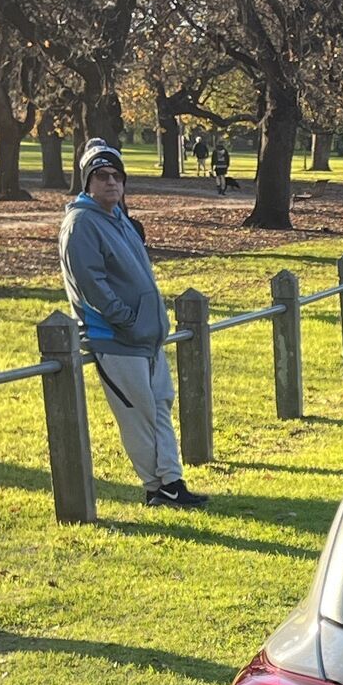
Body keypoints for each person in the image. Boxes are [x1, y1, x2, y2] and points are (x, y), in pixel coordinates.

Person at [59, 139, 202, 508]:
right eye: (102, 176)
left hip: (147, 338)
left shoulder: (119, 219)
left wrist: (151, 322)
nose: (111, 183)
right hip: (115, 339)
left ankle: (173, 482)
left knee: (160, 408)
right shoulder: (81, 224)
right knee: (137, 416)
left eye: (117, 177)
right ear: (87, 182)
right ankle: (155, 488)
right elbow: (92, 286)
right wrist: (128, 321)